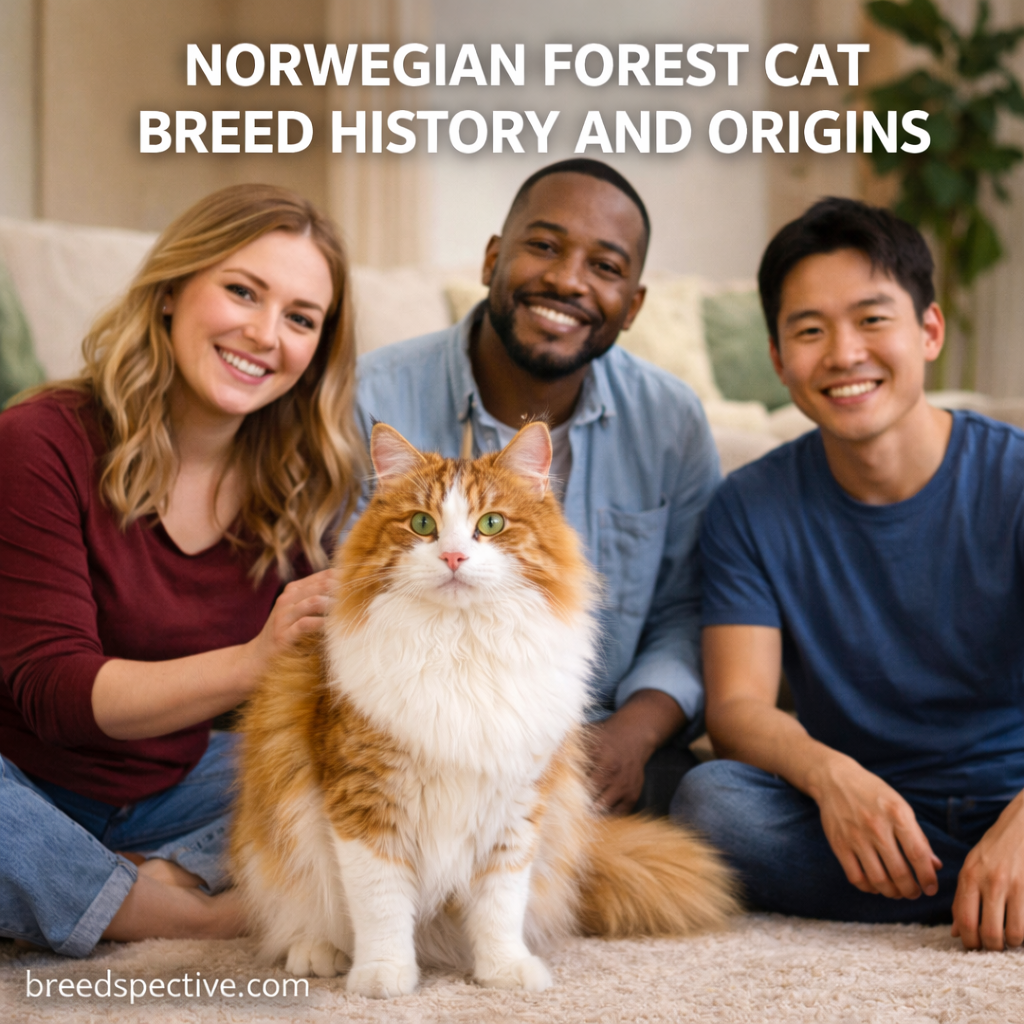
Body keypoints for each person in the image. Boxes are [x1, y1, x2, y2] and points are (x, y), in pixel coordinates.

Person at [0, 184, 365, 956]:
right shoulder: (37, 441)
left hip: (177, 786)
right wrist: (255, 660)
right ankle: (188, 911)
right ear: (171, 290)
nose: (265, 335)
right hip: (23, 778)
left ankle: (104, 883)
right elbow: (57, 696)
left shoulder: (300, 488)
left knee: (345, 763)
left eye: (301, 319)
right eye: (243, 292)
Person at [674, 197, 1024, 951]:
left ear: (929, 332)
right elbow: (736, 707)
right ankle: (974, 895)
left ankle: (980, 881)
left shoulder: (1015, 477)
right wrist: (831, 777)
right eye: (809, 330)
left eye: (872, 319)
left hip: (1014, 797)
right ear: (778, 360)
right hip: (865, 813)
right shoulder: (748, 505)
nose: (843, 354)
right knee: (711, 803)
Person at [356, 159, 720, 816]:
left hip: (601, 733)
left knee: (712, 807)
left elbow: (688, 609)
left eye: (604, 266)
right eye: (545, 246)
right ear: (492, 259)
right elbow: (346, 590)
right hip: (416, 734)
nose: (567, 280)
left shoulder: (672, 420)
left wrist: (633, 735)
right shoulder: (373, 395)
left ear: (633, 306)